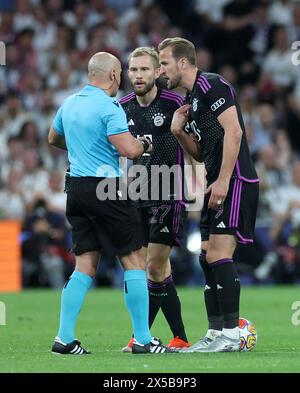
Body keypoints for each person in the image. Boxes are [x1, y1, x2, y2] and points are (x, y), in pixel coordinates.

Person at [48, 51, 175, 354]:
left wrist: (82, 148)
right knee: (133, 261)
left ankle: (64, 338)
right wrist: (144, 143)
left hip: (75, 189)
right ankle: (143, 340)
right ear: (115, 75)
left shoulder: (70, 103)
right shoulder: (110, 107)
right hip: (106, 188)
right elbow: (130, 150)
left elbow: (53, 138)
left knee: (85, 265)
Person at [158, 37, 259, 352]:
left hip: (235, 179)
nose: (161, 71)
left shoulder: (212, 86)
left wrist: (225, 180)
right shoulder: (194, 99)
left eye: (164, 63)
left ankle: (231, 334)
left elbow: (235, 131)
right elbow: (201, 155)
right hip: (216, 180)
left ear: (183, 62)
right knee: (205, 255)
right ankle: (216, 333)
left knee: (218, 254)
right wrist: (178, 132)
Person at [119, 47, 190, 352]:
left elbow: (196, 139)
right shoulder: (121, 107)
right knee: (160, 272)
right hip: (136, 196)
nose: (138, 75)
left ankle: (141, 337)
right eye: (133, 70)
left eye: (144, 70)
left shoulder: (176, 102)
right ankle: (181, 338)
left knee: (151, 269)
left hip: (168, 195)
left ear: (157, 72)